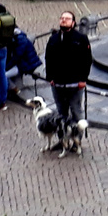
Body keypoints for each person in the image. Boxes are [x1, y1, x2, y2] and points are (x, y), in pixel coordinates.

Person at [44, 11, 91, 146]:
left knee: (76, 112)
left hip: (75, 84)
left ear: (73, 22)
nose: (64, 20)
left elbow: (87, 60)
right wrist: (50, 77)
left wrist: (83, 79)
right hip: (58, 84)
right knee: (61, 114)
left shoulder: (81, 38)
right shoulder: (53, 39)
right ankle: (62, 140)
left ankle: (77, 140)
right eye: (62, 18)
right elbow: (49, 58)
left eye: (67, 19)